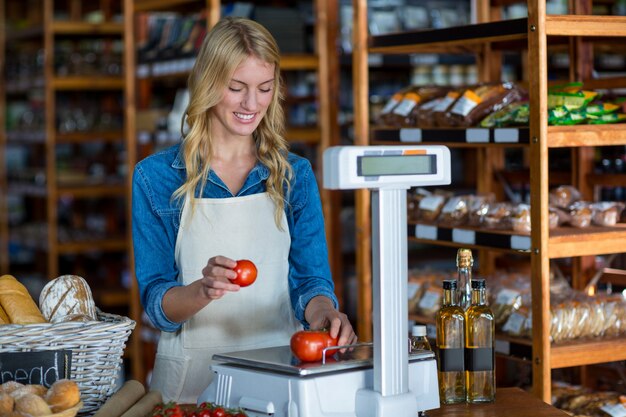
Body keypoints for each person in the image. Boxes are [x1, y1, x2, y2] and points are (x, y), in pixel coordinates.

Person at [131, 16, 357, 403]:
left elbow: (311, 282)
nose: (252, 104)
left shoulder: (294, 175)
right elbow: (156, 304)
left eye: (264, 88)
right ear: (208, 84)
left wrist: (324, 316)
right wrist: (202, 290)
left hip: (277, 376)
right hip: (190, 383)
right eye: (236, 88)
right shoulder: (156, 178)